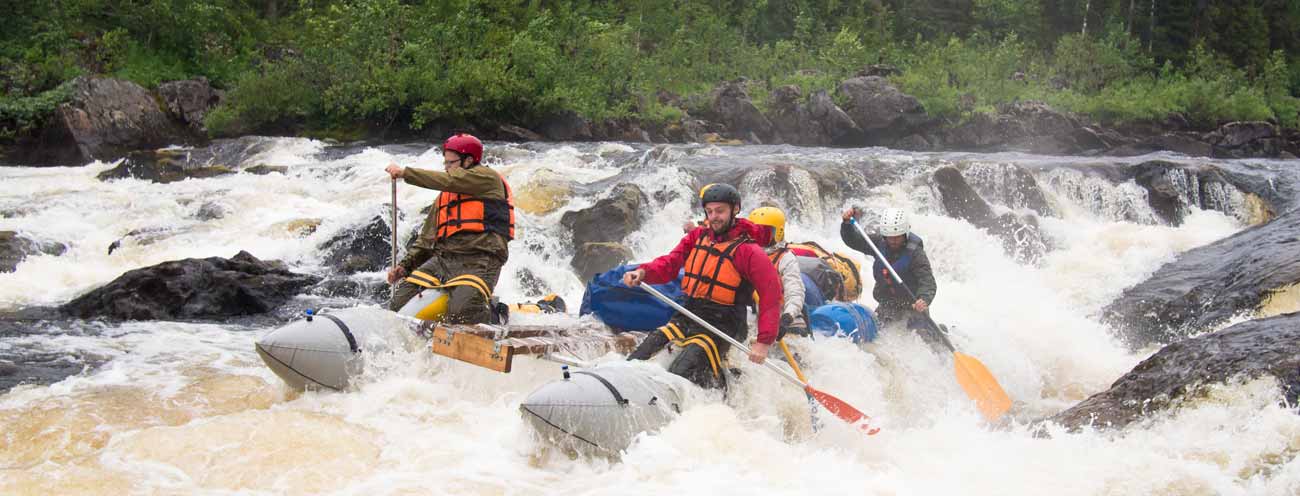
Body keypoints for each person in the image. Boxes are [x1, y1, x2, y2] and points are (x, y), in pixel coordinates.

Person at [623, 184, 783, 389]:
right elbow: (670, 263)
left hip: (724, 323)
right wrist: (643, 272)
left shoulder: (749, 251)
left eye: (720, 211)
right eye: (710, 211)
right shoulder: (697, 237)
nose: (714, 217)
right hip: (688, 313)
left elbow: (771, 296)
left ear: (735, 210)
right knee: (637, 359)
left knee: (679, 374)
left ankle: (720, 386)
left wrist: (764, 342)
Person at [384, 133, 514, 324]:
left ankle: (495, 315)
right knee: (398, 303)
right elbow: (427, 237)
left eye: (451, 163)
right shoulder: (445, 197)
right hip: (444, 260)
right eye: (445, 163)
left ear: (469, 160)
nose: (447, 169)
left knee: (460, 311)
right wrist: (405, 266)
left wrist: (405, 173)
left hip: (480, 259)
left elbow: (452, 180)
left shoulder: (487, 178)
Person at [839, 207, 936, 331]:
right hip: (888, 304)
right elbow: (854, 241)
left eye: (897, 237)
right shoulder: (879, 243)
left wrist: (924, 299)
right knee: (877, 333)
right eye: (890, 237)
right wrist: (847, 225)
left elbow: (927, 281)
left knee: (921, 339)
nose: (893, 241)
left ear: (905, 233)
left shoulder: (916, 253)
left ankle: (936, 333)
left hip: (913, 306)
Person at [747, 206, 809, 338]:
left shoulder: (786, 258)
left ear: (778, 233)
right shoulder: (745, 254)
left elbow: (795, 291)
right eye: (756, 231)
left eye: (765, 232)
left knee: (795, 347)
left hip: (784, 316)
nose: (760, 236)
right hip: (755, 315)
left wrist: (787, 317)